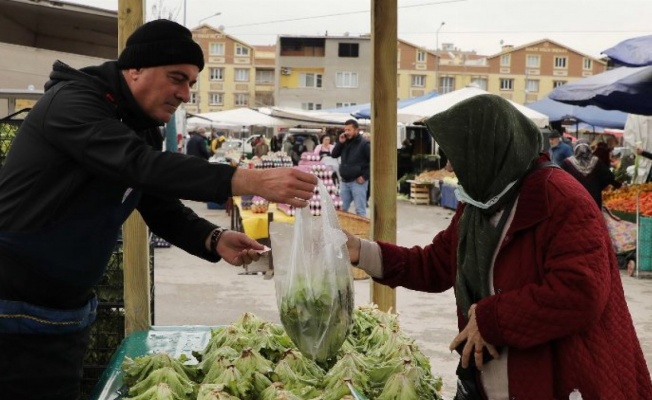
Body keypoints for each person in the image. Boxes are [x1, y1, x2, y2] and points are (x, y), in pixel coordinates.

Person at [0, 19, 317, 400]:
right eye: (176, 78)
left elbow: (156, 199)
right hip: (13, 306)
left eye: (191, 84)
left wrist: (211, 238)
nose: (185, 94)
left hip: (64, 309)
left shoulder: (139, 125)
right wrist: (247, 180)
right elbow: (138, 165)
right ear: (134, 70)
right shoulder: (72, 104)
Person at [343, 95, 652, 399]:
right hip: (495, 381)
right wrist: (361, 251)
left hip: (564, 378)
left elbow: (581, 292)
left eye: (457, 155)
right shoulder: (480, 204)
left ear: (486, 149)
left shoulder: (561, 200)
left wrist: (492, 320)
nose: (450, 168)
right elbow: (435, 264)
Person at [561, 139, 620, 209]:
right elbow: (609, 177)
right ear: (589, 149)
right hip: (594, 198)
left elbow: (561, 182)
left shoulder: (567, 163)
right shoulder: (597, 161)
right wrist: (598, 186)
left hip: (575, 199)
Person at [331, 119, 370, 216]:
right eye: (345, 130)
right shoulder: (344, 142)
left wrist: (365, 177)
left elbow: (373, 162)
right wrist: (340, 143)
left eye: (349, 130)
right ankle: (343, 231)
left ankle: (362, 231)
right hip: (345, 181)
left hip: (358, 182)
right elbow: (334, 155)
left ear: (356, 130)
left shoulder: (364, 144)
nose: (346, 132)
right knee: (342, 209)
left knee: (360, 210)